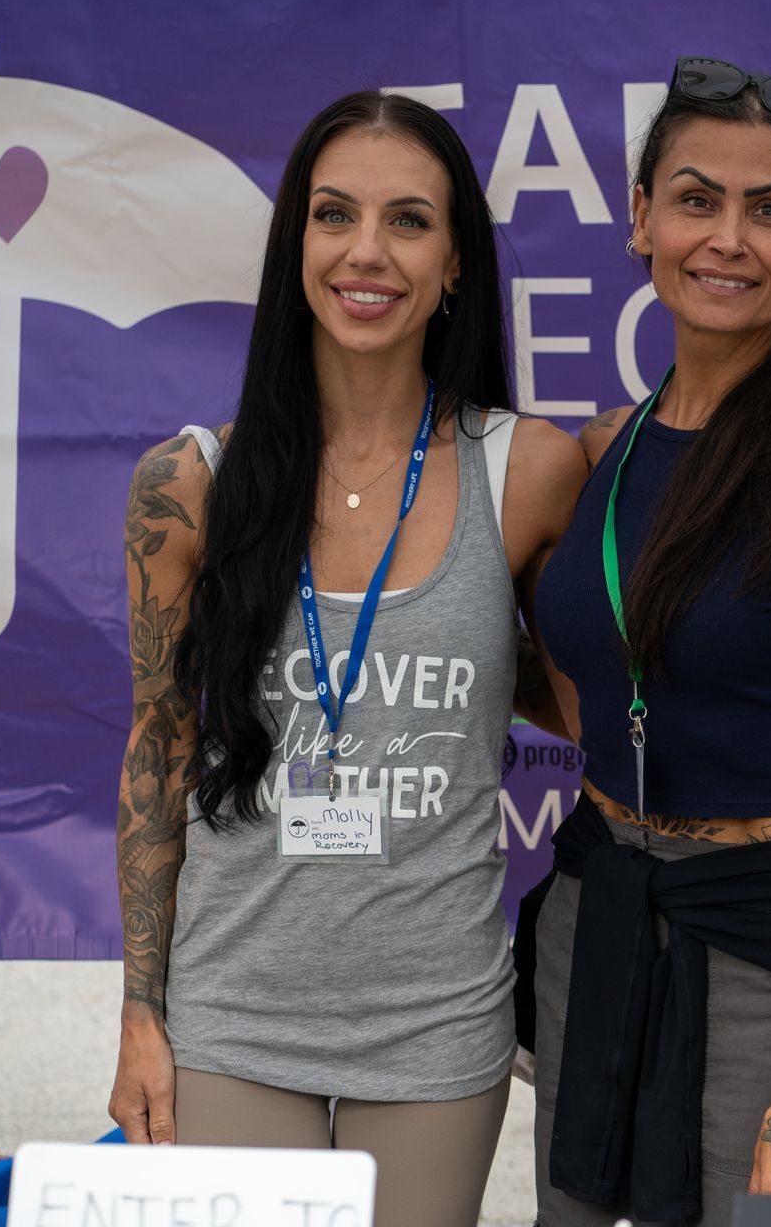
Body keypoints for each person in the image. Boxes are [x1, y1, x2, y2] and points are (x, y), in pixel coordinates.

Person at [106, 90, 589, 1227]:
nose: (367, 252)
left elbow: (581, 700)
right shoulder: (188, 485)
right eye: (334, 216)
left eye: (409, 221)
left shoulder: (528, 472)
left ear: (455, 261)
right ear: (297, 246)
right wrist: (139, 1008)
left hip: (435, 1021)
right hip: (233, 1014)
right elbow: (158, 748)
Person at [523, 57, 771, 1227]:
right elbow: (590, 685)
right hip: (596, 916)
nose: (729, 238)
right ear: (641, 216)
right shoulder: (600, 452)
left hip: (769, 954)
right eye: (698, 198)